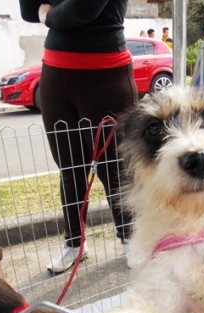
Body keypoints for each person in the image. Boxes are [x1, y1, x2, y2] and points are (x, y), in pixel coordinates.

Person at [19, 0, 138, 273]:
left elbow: (80, 11)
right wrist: (47, 14)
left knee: (115, 169)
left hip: (106, 75)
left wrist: (46, 14)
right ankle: (75, 243)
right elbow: (28, 11)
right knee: (70, 169)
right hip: (55, 74)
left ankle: (132, 239)